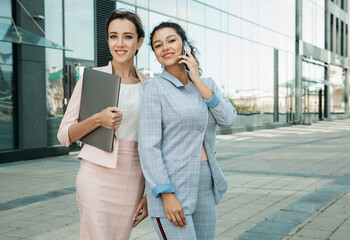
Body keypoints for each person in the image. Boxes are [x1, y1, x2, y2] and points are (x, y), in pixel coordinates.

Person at [138, 22, 237, 240]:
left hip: (205, 183)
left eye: (171, 40)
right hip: (172, 185)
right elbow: (148, 146)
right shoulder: (154, 88)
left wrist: (197, 80)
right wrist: (166, 193)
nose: (165, 47)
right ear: (155, 54)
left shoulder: (207, 84)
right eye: (158, 45)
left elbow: (228, 119)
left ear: (184, 45)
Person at [57, 10, 149, 240]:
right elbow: (64, 135)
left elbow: (158, 143)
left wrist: (151, 194)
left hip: (133, 177)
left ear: (139, 42)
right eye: (113, 36)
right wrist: (97, 119)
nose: (119, 43)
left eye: (127, 37)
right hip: (95, 176)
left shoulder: (151, 86)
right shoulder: (91, 78)